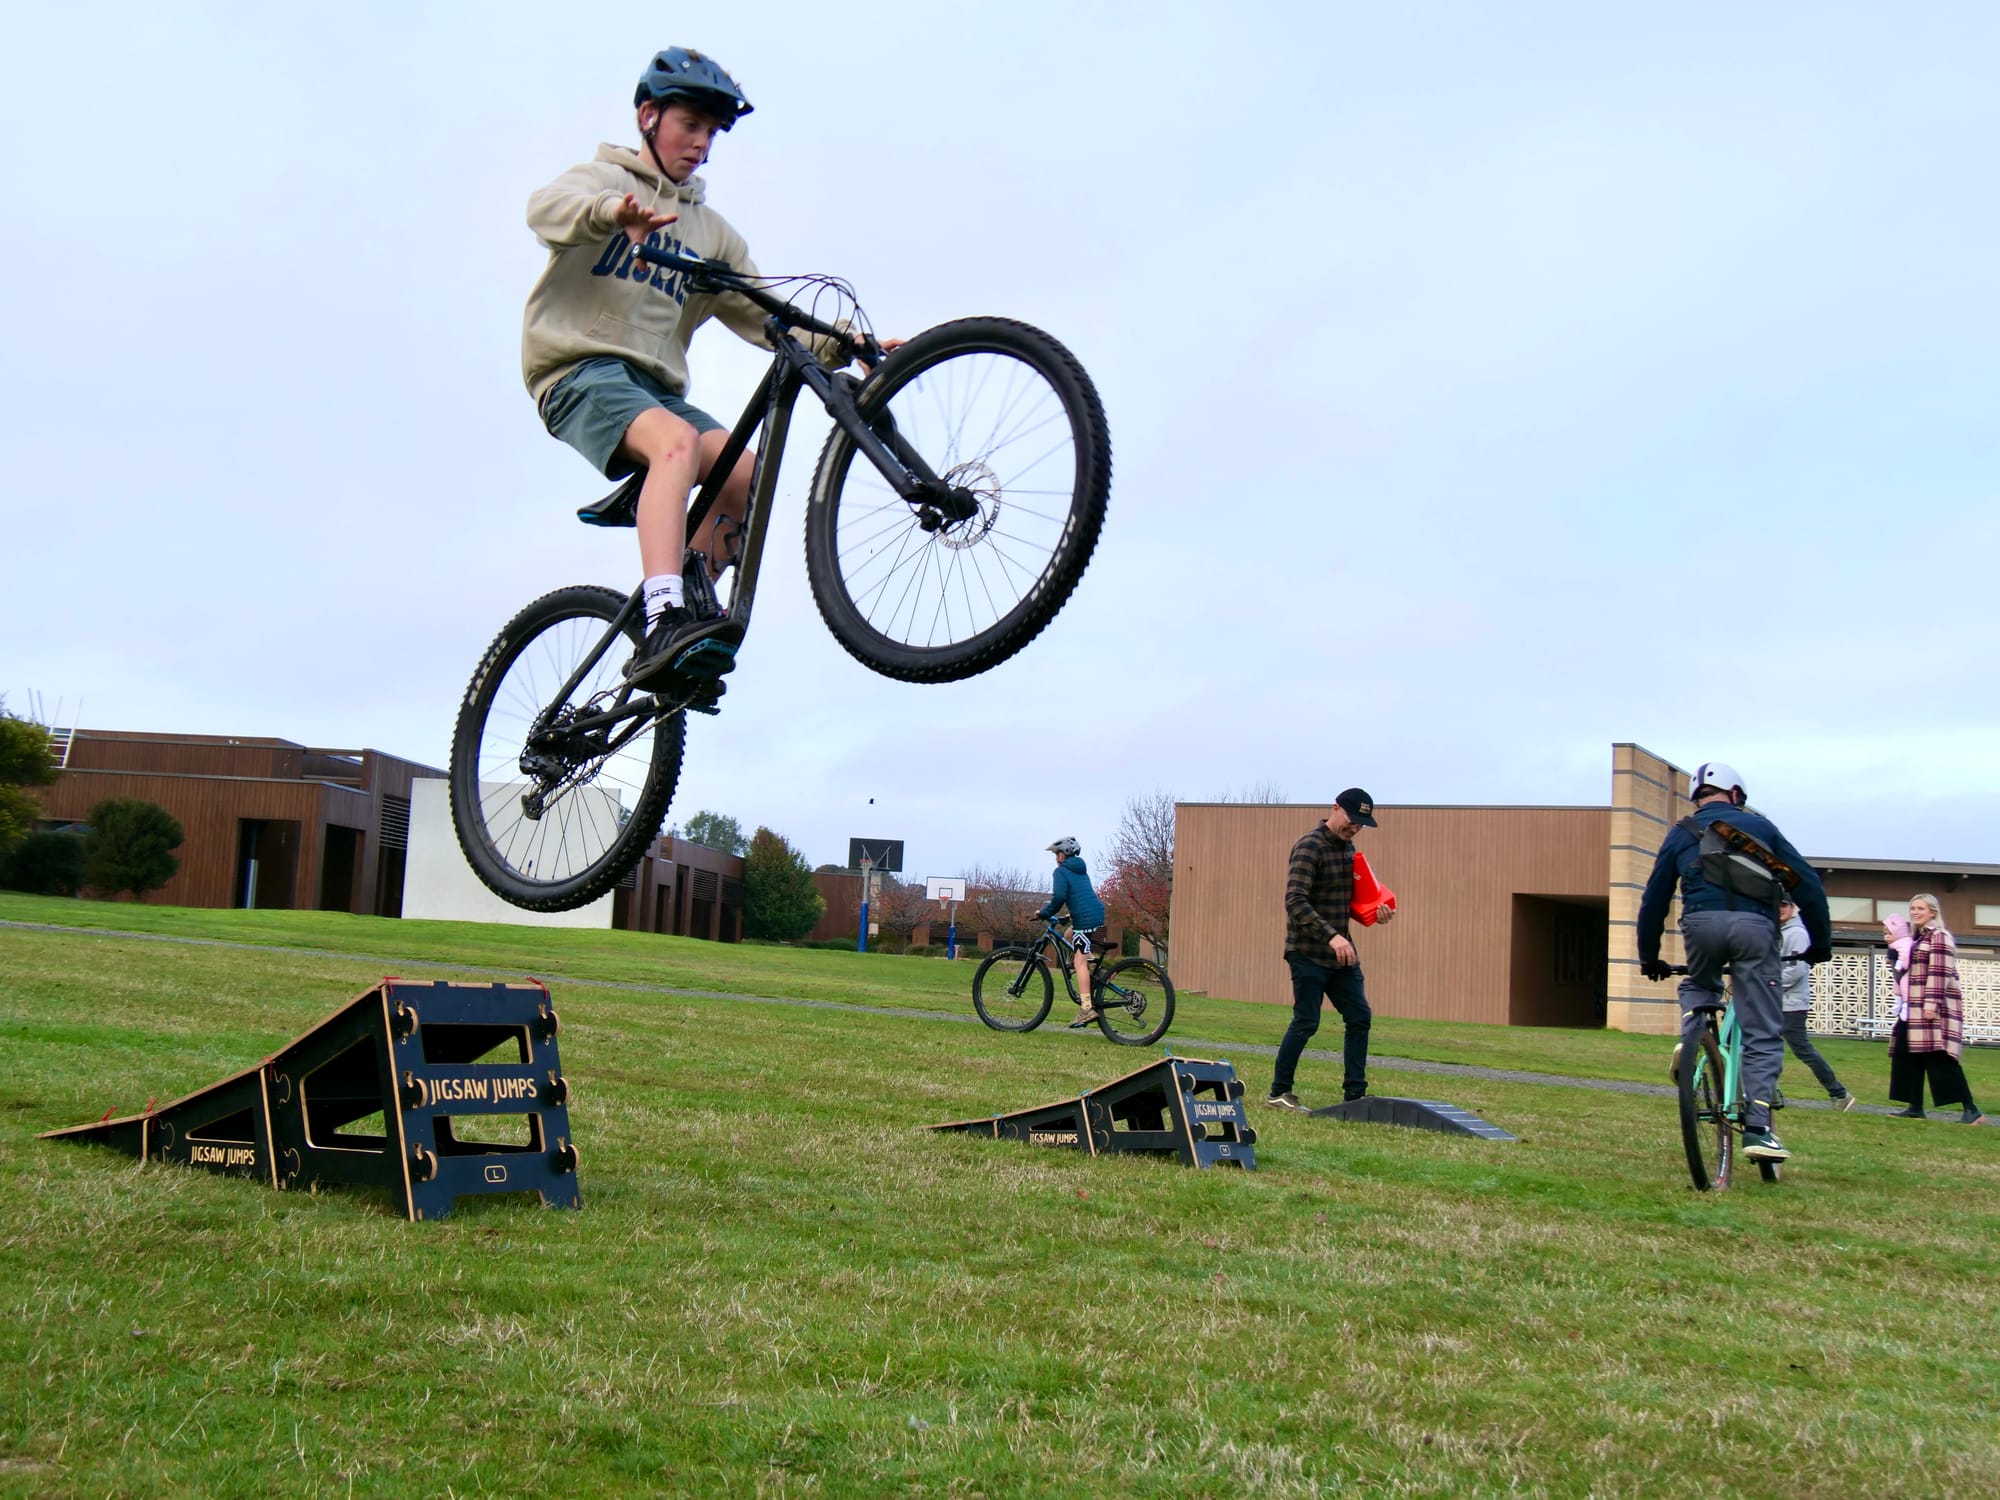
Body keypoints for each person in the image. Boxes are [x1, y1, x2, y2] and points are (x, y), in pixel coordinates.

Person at [521, 48, 881, 692]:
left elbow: (768, 314)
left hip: (653, 389)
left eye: (713, 133)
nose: (702, 145)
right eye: (690, 125)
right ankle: (663, 616)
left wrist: (849, 340)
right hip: (577, 370)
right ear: (649, 116)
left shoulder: (711, 234)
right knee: (678, 444)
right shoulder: (603, 180)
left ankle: (684, 616)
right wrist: (612, 212)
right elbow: (544, 210)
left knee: (746, 472)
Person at [1636, 762, 1830, 1164]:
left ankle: (1691, 1036)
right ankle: (1758, 1128)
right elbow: (1807, 883)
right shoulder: (1762, 829)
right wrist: (1819, 944)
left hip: (1701, 926)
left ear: (1697, 799)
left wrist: (1649, 956)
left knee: (1698, 984)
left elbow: (1654, 898)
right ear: (1737, 795)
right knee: (1761, 1027)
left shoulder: (1680, 833)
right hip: (1755, 930)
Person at [1267, 788, 1395, 1111]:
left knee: (1360, 1016)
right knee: (1307, 1021)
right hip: (1307, 950)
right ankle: (1279, 1093)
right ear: (1336, 809)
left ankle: (1355, 1096)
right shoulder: (1310, 846)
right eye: (1353, 821)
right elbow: (1295, 901)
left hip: (1341, 955)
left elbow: (1348, 903)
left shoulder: (1349, 850)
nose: (1355, 829)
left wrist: (1375, 913)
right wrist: (1331, 936)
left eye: (1362, 825)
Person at [1888, 894, 1985, 1124]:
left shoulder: (1940, 937)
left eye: (1920, 908)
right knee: (1909, 1055)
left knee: (1940, 1059)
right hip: (1912, 1010)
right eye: (1912, 908)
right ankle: (1915, 1106)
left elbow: (1939, 974)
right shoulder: (1917, 939)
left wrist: (1930, 1005)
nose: (1915, 912)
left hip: (1931, 1009)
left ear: (1933, 912)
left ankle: (1971, 1110)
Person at [1777, 895, 1855, 1109]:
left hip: (1791, 1004)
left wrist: (1770, 983)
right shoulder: (1779, 932)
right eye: (1776, 904)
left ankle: (1839, 1093)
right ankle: (1769, 1091)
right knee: (1766, 1047)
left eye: (1784, 905)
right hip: (1774, 1001)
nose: (1779, 908)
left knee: (1803, 1050)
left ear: (1793, 907)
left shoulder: (1797, 933)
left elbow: (1798, 969)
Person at [1035, 837, 1109, 1027]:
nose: (1055, 859)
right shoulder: (1080, 869)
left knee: (1079, 962)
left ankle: (1086, 1008)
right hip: (1092, 914)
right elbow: (1080, 895)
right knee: (1068, 935)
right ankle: (1094, 968)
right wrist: (1068, 916)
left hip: (1085, 919)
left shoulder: (1061, 871)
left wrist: (1045, 913)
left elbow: (1059, 897)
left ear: (1062, 855)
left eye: (1056, 854)